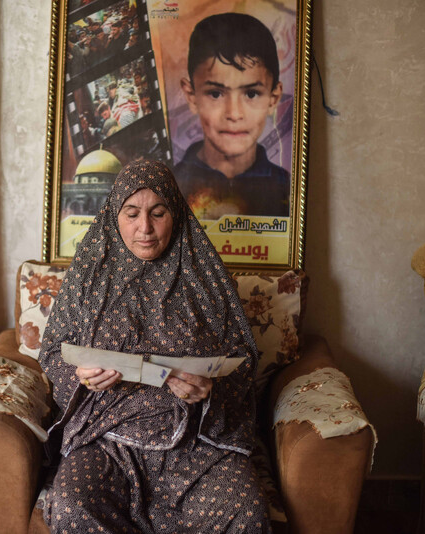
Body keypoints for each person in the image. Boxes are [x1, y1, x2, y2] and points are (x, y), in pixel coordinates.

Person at [38, 160, 269, 533]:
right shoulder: (89, 273)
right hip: (107, 439)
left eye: (157, 213)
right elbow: (52, 352)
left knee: (244, 510)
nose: (144, 228)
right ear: (116, 215)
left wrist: (211, 389)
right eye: (132, 214)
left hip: (197, 444)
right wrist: (80, 376)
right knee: (72, 505)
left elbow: (242, 361)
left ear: (175, 214)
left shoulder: (205, 274)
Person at [175, 13, 289, 219]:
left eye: (251, 94)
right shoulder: (168, 185)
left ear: (273, 98)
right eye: (216, 94)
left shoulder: (288, 190)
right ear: (191, 96)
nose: (234, 114)